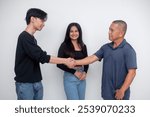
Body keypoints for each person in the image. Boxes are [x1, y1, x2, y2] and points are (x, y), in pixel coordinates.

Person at [14, 8, 73, 100]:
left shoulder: (32, 39)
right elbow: (42, 56)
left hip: (36, 82)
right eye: (41, 20)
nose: (44, 24)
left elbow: (38, 56)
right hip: (26, 84)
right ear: (32, 19)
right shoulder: (24, 37)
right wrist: (65, 60)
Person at [72, 20, 137, 100]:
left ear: (121, 33)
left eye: (112, 30)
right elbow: (91, 58)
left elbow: (132, 73)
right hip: (107, 93)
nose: (109, 32)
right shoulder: (106, 48)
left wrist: (122, 90)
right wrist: (74, 62)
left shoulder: (128, 50)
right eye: (109, 29)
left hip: (120, 95)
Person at [57, 23, 89, 100]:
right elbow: (59, 64)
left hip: (82, 78)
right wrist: (74, 72)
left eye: (76, 31)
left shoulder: (83, 46)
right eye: (71, 31)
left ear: (79, 32)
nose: (74, 33)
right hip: (70, 77)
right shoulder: (64, 45)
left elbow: (86, 61)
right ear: (68, 33)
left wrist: (85, 72)